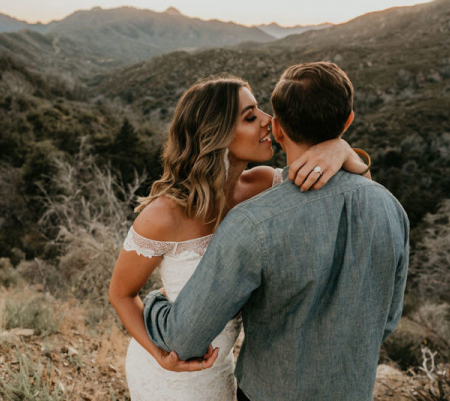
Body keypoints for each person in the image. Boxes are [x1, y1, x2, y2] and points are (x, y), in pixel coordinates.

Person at [142, 62, 409, 401]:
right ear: (348, 121)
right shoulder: (391, 209)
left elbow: (183, 338)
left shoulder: (252, 222)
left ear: (278, 129)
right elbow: (386, 321)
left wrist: (156, 301)